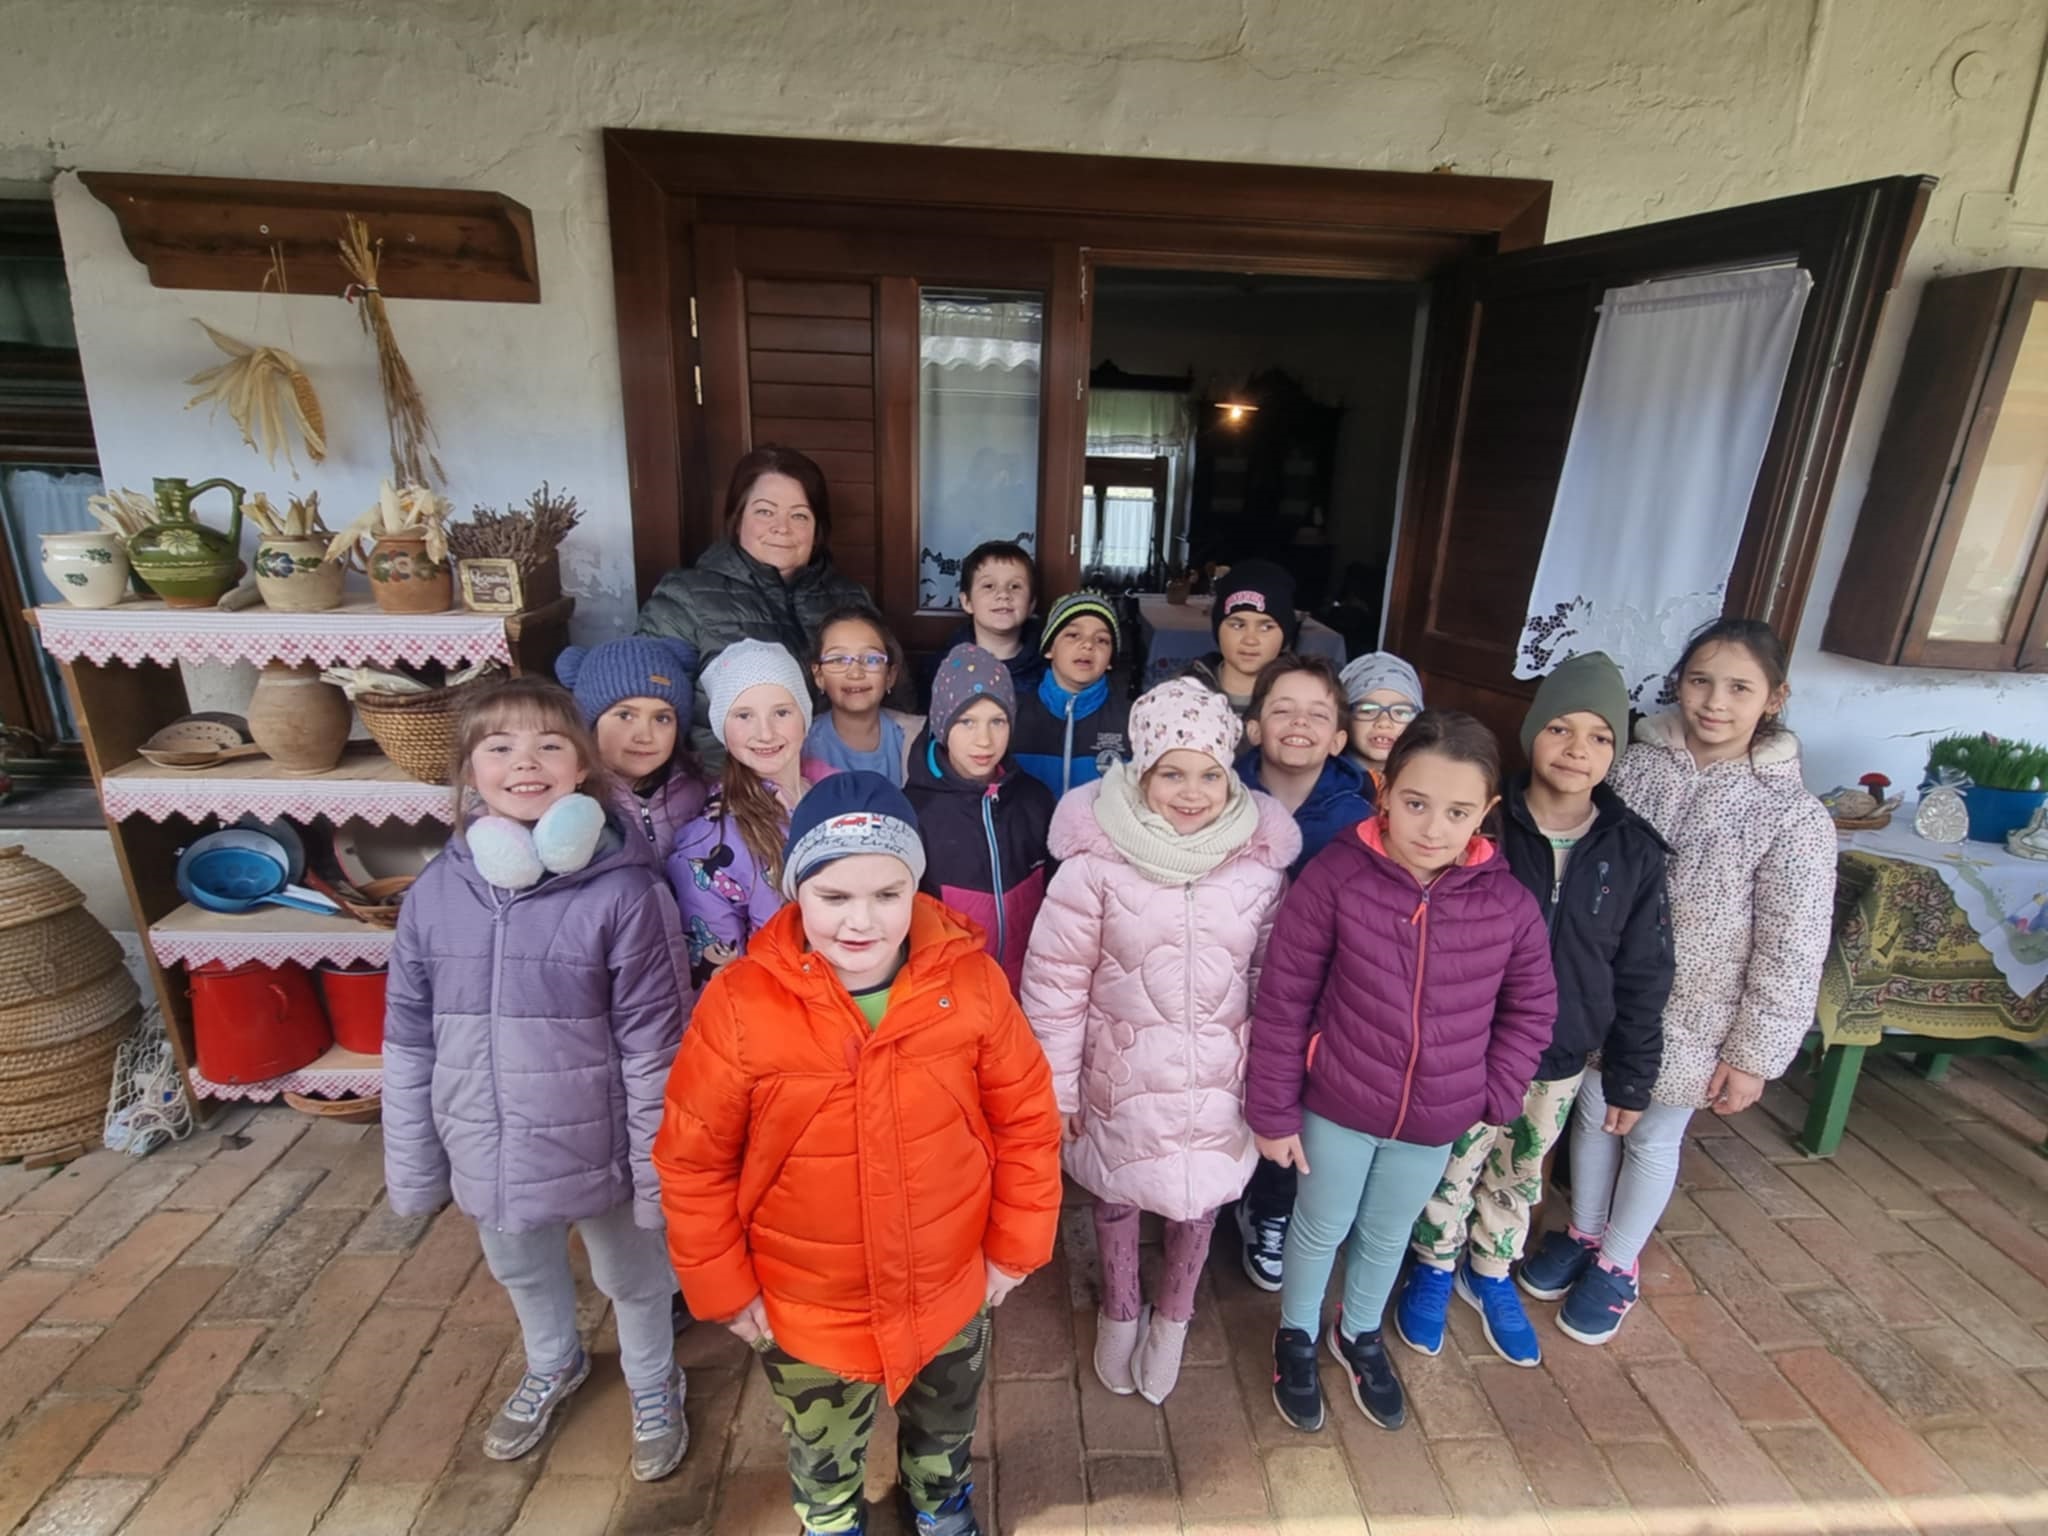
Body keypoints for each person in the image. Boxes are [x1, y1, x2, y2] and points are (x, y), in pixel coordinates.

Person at [654, 772, 1063, 1536]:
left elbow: (1027, 1122)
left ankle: (939, 1500)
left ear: (916, 889)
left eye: (886, 893)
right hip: (808, 1307)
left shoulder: (972, 985)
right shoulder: (740, 1006)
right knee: (822, 1443)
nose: (861, 920)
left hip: (949, 1288)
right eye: (833, 896)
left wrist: (1015, 1248)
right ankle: (830, 1516)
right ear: (795, 893)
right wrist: (724, 1289)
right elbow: (693, 1161)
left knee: (947, 1423)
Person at [382, 677, 690, 1482]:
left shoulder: (627, 893)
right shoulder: (434, 895)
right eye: (500, 747)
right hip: (484, 1133)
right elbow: (407, 1039)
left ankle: (654, 1379)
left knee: (633, 1273)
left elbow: (655, 1049)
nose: (526, 763)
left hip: (603, 1142)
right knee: (519, 1261)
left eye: (550, 745)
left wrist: (657, 1170)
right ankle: (554, 1359)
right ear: (468, 773)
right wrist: (414, 1162)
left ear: (583, 770)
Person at [1524, 619, 1833, 1346]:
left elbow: (1793, 945)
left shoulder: (1792, 816)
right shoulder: (1633, 767)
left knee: (1651, 1134)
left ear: (1775, 698)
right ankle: (1584, 1231)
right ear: (1678, 685)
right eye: (1700, 681)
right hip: (1607, 991)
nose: (1714, 702)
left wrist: (1753, 1055)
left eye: (1739, 688)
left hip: (1698, 1014)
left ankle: (1618, 1262)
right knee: (1594, 1112)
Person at [1245, 711, 1556, 1434]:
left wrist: (1493, 1092)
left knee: (1388, 1234)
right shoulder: (1336, 877)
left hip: (1437, 1115)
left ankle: (1358, 1334)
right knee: (1320, 1226)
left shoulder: (1507, 904)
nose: (1433, 828)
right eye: (1416, 803)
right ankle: (1296, 1335)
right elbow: (1284, 997)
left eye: (1457, 812)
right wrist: (1274, 1111)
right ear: (1383, 791)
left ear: (1486, 812)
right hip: (1338, 1102)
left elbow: (1533, 1007)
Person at [1021, 678, 1299, 1404]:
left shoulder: (1259, 869)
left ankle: (1174, 1315)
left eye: (1209, 774)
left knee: (1199, 1205)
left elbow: (1275, 986)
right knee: (1116, 1193)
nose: (1191, 792)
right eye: (1172, 773)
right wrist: (1057, 1089)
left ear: (1230, 775)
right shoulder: (1094, 867)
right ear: (1141, 774)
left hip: (1220, 1082)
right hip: (1121, 1075)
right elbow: (1055, 986)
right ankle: (1119, 1307)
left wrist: (1272, 1088)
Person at [1394, 652, 1673, 1367]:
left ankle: (1490, 1270)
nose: (1579, 749)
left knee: (1520, 1166)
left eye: (1600, 736)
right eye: (1560, 728)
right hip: (1467, 1043)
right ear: (1531, 732)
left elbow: (1644, 971)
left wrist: (1633, 1075)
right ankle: (1433, 1264)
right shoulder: (1485, 827)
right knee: (1452, 1161)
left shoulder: (1632, 851)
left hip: (1559, 1052)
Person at [1229, 654, 1375, 1292]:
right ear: (1253, 727)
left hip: (1315, 990)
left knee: (1296, 1092)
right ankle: (1223, 1194)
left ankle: (1272, 1207)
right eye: (1282, 709)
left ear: (1339, 738)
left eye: (1317, 715)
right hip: (1229, 975)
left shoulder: (1359, 817)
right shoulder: (1219, 794)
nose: (1298, 724)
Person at [637, 445, 872, 770]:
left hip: (839, 784)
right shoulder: (685, 597)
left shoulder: (851, 600)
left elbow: (893, 697)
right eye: (764, 511)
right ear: (737, 520)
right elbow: (647, 710)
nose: (782, 527)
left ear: (817, 530)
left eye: (799, 515)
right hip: (725, 788)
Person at [669, 640, 830, 988]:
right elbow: (721, 984)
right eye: (744, 716)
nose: (765, 733)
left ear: (805, 716)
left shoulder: (838, 799)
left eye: (781, 712)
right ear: (722, 728)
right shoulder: (710, 841)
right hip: (778, 1011)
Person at [902, 643, 1055, 992]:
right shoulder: (913, 812)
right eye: (966, 721)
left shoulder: (1036, 801)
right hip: (952, 995)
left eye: (997, 721)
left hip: (1027, 991)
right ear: (942, 725)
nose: (984, 740)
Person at [554, 635, 708, 863]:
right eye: (625, 715)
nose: (645, 736)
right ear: (589, 724)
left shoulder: (701, 794)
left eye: (662, 718)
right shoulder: (566, 801)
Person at [1011, 589, 1133, 797]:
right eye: (1073, 635)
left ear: (1110, 660)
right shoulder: (1014, 715)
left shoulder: (1131, 721)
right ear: (1049, 649)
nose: (1088, 645)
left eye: (1102, 640)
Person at [804, 604, 923, 786]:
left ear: (890, 675)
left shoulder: (916, 737)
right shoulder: (801, 743)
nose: (856, 673)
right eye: (838, 659)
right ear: (819, 676)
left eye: (871, 659)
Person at [1189, 559, 1298, 716]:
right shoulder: (1183, 694)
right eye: (1237, 625)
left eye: (1266, 627)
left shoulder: (1302, 700)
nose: (1250, 640)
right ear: (1218, 629)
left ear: (1285, 635)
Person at [940, 539, 1045, 695]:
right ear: (967, 602)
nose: (1003, 594)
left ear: (1031, 604)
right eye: (989, 586)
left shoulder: (1048, 669)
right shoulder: (945, 667)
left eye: (1015, 586)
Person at [1337, 651, 1424, 798]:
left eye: (1401, 712)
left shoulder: (1424, 778)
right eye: (1367, 710)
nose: (1384, 722)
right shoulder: (1323, 779)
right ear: (1345, 716)